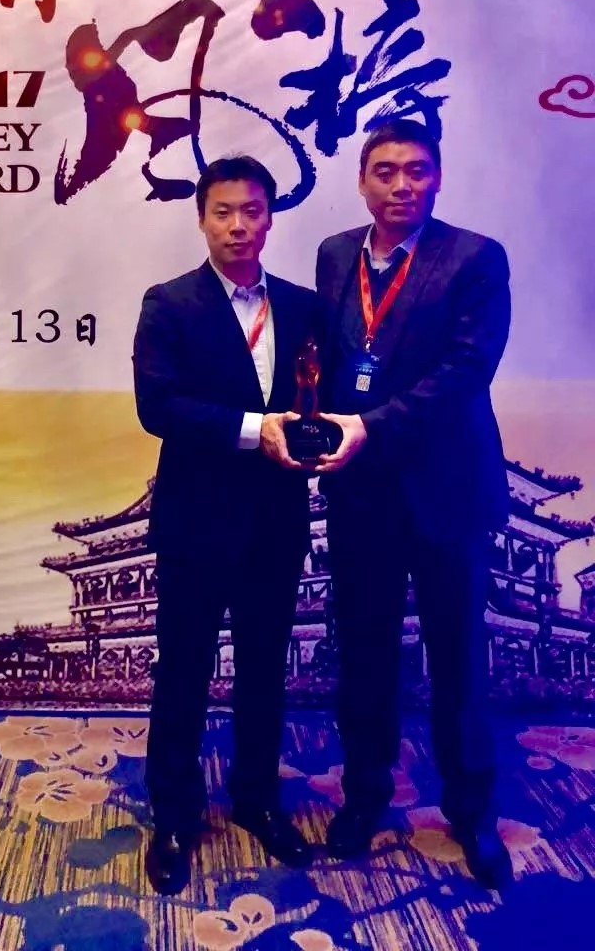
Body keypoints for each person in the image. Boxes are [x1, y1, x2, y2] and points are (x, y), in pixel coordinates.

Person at [313, 118, 513, 889]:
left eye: (417, 170)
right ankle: (365, 796)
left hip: (445, 491)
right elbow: (337, 361)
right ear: (362, 181)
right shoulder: (335, 255)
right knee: (363, 654)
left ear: (437, 178)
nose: (402, 185)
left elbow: (466, 371)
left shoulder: (474, 258)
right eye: (386, 171)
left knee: (457, 659)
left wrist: (367, 425)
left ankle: (471, 813)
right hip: (361, 495)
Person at [133, 154, 321, 895]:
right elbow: (159, 407)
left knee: (265, 670)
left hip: (277, 521)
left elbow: (321, 399)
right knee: (183, 670)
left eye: (252, 211)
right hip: (196, 521)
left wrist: (318, 437)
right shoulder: (169, 303)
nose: (238, 225)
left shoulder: (303, 306)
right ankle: (175, 817)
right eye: (223, 212)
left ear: (270, 218)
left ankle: (257, 800)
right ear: (202, 219)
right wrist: (255, 429)